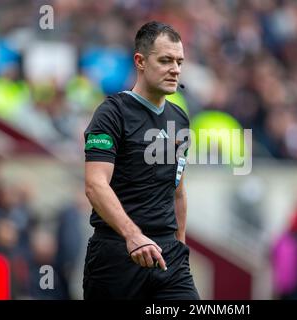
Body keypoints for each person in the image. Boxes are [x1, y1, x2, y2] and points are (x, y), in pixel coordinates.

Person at [82, 21, 199, 300]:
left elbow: (178, 192)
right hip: (117, 255)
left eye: (179, 62)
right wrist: (132, 236)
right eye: (166, 60)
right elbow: (95, 185)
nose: (175, 69)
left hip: (169, 258)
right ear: (140, 61)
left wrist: (180, 248)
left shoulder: (179, 118)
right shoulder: (112, 113)